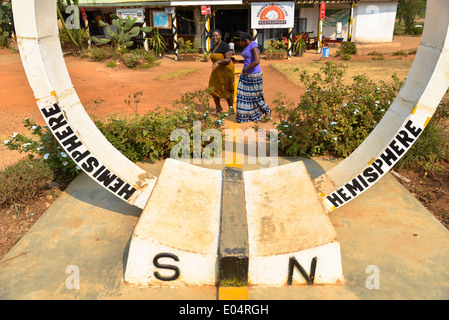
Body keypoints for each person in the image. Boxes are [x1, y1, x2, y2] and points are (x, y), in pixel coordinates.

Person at [232, 31, 270, 123]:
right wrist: (238, 61)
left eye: (238, 43)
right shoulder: (245, 46)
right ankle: (245, 116)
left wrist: (246, 68)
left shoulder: (254, 45)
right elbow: (248, 60)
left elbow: (257, 61)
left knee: (256, 96)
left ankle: (267, 110)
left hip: (254, 75)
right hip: (245, 74)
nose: (239, 45)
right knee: (242, 96)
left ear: (241, 40)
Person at [208, 29, 235, 113]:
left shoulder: (224, 45)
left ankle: (231, 109)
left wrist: (217, 62)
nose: (214, 37)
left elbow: (228, 59)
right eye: (213, 36)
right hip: (217, 72)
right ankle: (218, 107)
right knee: (213, 89)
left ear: (220, 36)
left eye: (216, 35)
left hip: (225, 71)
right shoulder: (215, 46)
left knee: (225, 90)